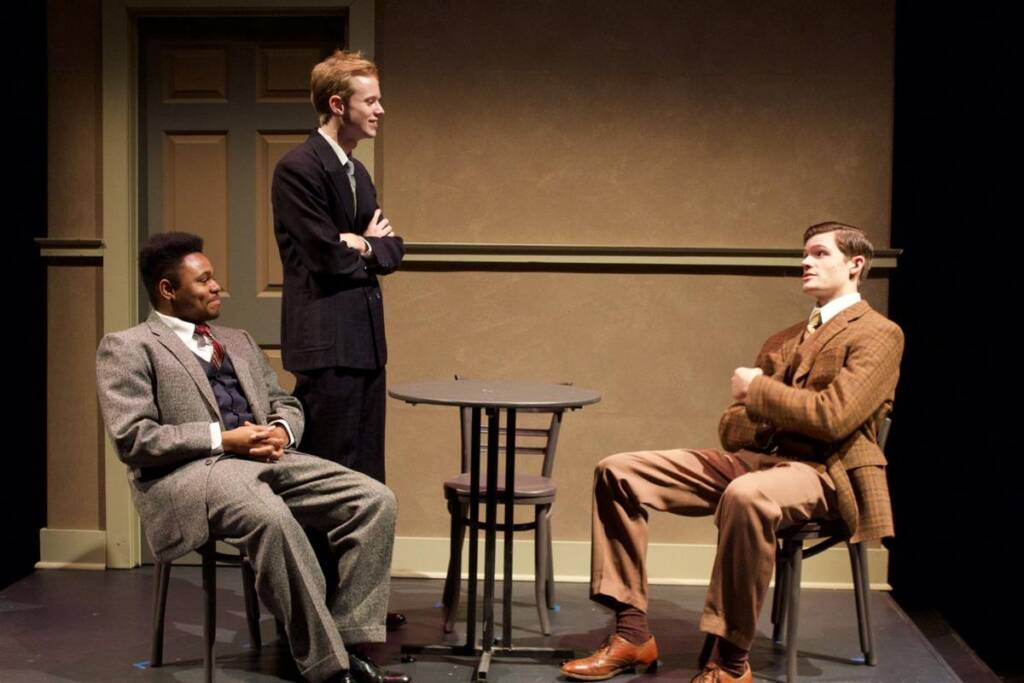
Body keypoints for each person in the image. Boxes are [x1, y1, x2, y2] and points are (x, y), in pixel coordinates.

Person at [561, 222, 904, 683]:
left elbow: (835, 418)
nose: (806, 262)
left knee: (747, 495)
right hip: (761, 460)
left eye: (821, 254)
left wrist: (761, 392)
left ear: (855, 264)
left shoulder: (879, 334)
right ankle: (632, 633)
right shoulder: (783, 339)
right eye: (805, 254)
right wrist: (773, 413)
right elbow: (731, 428)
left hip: (825, 470)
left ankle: (730, 661)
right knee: (618, 470)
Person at [96, 232, 409, 683]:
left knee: (375, 499)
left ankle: (348, 640)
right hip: (193, 473)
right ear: (168, 290)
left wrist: (281, 431)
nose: (216, 287)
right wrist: (225, 439)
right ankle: (329, 668)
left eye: (214, 277)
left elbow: (286, 401)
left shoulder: (237, 339)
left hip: (266, 460)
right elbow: (134, 439)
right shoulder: (128, 347)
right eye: (203, 280)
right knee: (270, 517)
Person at [272, 48, 407, 631]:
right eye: (370, 100)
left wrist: (365, 244)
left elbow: (394, 250)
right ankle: (315, 613)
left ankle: (357, 608)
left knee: (366, 479)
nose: (380, 109)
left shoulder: (359, 172)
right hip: (327, 347)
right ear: (338, 104)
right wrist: (354, 244)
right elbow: (327, 257)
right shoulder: (299, 168)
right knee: (329, 478)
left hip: (365, 346)